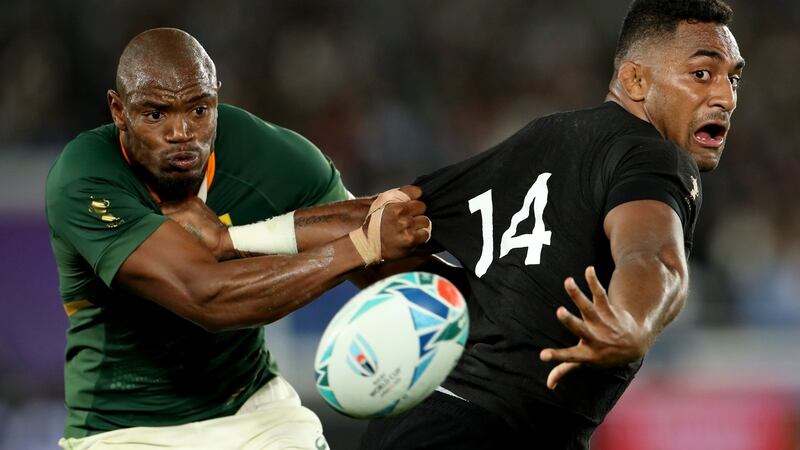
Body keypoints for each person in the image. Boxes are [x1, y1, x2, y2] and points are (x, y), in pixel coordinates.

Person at [358, 0, 745, 448]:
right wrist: (633, 320)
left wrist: (290, 236)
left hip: (417, 418)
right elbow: (651, 256)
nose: (727, 96)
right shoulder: (657, 156)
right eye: (703, 74)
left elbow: (376, 225)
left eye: (733, 78)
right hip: (493, 432)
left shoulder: (536, 139)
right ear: (635, 79)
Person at [45, 28, 432, 450]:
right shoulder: (85, 175)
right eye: (156, 114)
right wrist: (360, 247)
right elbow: (205, 296)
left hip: (255, 415)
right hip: (123, 430)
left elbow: (387, 256)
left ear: (217, 99)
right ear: (119, 111)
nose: (182, 132)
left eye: (199, 109)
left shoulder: (270, 155)